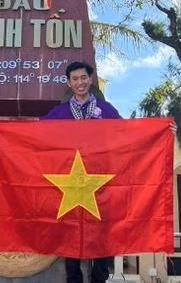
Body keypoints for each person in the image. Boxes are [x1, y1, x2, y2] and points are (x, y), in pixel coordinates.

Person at [41, 61, 121, 283]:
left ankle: (100, 278)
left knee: (102, 230)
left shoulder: (106, 110)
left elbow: (128, 132)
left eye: (83, 78)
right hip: (70, 181)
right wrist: (0, 129)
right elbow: (35, 130)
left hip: (100, 180)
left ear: (90, 80)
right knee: (71, 230)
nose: (80, 83)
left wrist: (163, 130)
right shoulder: (61, 112)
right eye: (75, 79)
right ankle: (73, 279)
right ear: (69, 83)